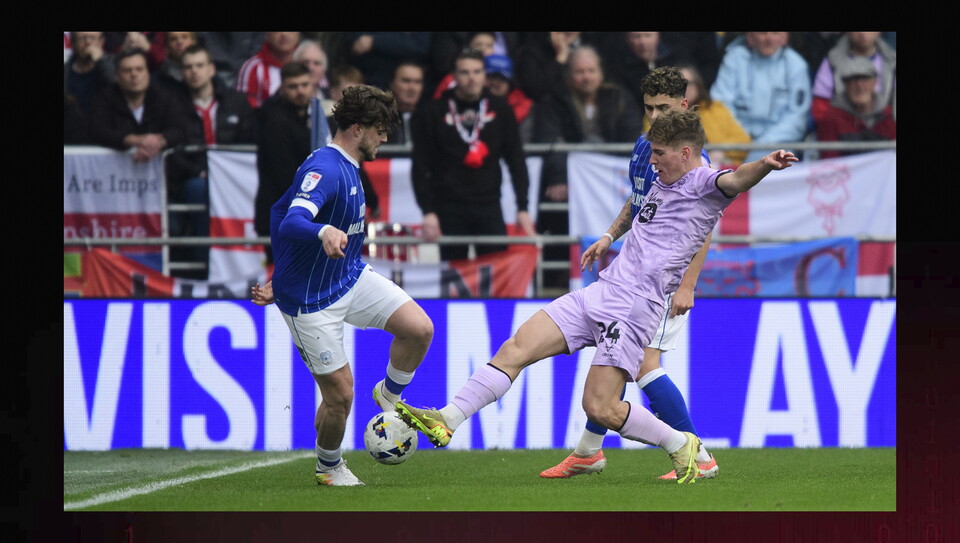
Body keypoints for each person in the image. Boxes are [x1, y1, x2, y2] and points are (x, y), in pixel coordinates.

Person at [396, 109, 798, 484]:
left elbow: (735, 179)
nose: (653, 160)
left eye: (660, 153)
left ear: (686, 153)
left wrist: (765, 164)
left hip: (635, 307)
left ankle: (681, 444)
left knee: (601, 408)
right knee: (516, 346)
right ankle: (448, 418)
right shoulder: (662, 181)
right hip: (603, 291)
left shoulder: (702, 182)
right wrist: (608, 236)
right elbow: (635, 206)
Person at [250, 84, 434, 487]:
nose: (384, 138)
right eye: (379, 131)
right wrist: (323, 232)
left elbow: (279, 214)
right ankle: (329, 467)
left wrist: (281, 271)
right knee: (341, 397)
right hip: (310, 302)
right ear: (357, 128)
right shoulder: (327, 169)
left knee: (419, 329)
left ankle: (388, 396)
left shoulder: (349, 164)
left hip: (348, 277)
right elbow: (292, 220)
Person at [540, 65, 717, 480]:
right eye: (649, 108)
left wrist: (688, 285)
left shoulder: (692, 160)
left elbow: (705, 227)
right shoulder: (646, 145)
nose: (654, 116)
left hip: (662, 281)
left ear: (684, 105)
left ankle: (699, 456)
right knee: (614, 355)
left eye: (664, 108)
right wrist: (609, 235)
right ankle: (588, 452)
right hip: (635, 275)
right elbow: (638, 201)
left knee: (643, 365)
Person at [532, 45, 643, 289]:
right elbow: (549, 142)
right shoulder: (553, 102)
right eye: (579, 71)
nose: (586, 77)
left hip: (612, 185)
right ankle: (560, 281)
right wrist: (559, 177)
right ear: (569, 75)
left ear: (601, 73)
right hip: (569, 187)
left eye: (591, 71)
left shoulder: (619, 99)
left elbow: (631, 141)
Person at [410, 47, 536, 261]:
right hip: (448, 206)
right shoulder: (433, 111)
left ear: (484, 74)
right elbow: (420, 166)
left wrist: (522, 206)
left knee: (496, 269)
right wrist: (428, 211)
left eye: (477, 72)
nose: (472, 78)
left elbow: (516, 159)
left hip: (489, 205)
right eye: (465, 72)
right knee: (453, 272)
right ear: (454, 75)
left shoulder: (501, 108)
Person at [164, 44, 257, 277]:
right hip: (192, 179)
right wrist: (200, 171)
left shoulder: (236, 102)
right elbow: (173, 151)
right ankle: (205, 270)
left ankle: (244, 271)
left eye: (199, 65)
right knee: (198, 188)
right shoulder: (172, 105)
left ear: (211, 69)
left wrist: (226, 173)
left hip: (234, 179)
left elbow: (248, 142)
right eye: (188, 67)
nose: (194, 71)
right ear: (181, 72)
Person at [710, 32, 811, 162]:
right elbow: (720, 104)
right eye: (763, 32)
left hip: (777, 144)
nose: (769, 38)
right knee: (711, 161)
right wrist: (740, 139)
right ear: (750, 36)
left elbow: (796, 119)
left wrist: (759, 145)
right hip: (734, 141)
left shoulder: (796, 65)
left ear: (784, 36)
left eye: (774, 32)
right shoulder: (734, 58)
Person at [87, 48, 200, 163]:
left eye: (139, 69)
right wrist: (133, 140)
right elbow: (97, 131)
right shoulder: (104, 99)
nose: (134, 74)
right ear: (117, 76)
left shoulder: (165, 98)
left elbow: (180, 129)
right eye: (127, 70)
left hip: (162, 169)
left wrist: (159, 142)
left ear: (148, 73)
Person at [254, 61, 314, 266]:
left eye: (304, 85)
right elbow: (285, 174)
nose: (300, 91)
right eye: (293, 86)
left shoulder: (317, 115)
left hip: (301, 213)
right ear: (282, 88)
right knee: (285, 274)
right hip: (282, 214)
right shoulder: (274, 120)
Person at [815, 56, 895, 159]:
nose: (859, 86)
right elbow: (830, 161)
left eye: (865, 79)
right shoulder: (831, 119)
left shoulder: (890, 117)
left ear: (874, 83)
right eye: (853, 80)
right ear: (845, 85)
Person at [810, 32, 896, 127]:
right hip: (841, 129)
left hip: (885, 129)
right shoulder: (832, 61)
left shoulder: (893, 62)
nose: (862, 33)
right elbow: (820, 107)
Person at [678, 63, 751, 167]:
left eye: (689, 83)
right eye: (680, 84)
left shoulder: (715, 109)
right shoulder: (662, 112)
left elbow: (743, 140)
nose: (685, 88)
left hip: (717, 167)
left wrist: (721, 151)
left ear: (698, 85)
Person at [346, 32, 432, 91]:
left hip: (403, 75)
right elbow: (359, 43)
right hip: (367, 77)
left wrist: (374, 41)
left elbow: (418, 45)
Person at [236, 31, 301, 108]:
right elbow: (243, 106)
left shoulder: (308, 62)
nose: (284, 34)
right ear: (267, 35)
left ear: (298, 35)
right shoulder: (253, 67)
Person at [483, 54, 534, 144]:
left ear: (510, 82)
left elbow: (523, 141)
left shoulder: (522, 104)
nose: (496, 83)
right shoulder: (469, 101)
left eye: (502, 78)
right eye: (491, 77)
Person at [64, 32, 115, 113]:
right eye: (82, 38)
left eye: (93, 38)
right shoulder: (66, 70)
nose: (88, 42)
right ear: (73, 43)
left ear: (101, 41)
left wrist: (101, 61)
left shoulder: (114, 64)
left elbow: (116, 86)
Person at [386, 60, 426, 146]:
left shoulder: (431, 119)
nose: (412, 88)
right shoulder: (378, 119)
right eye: (406, 81)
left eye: (418, 82)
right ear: (392, 84)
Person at [150, 31, 198, 97]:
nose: (180, 42)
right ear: (167, 46)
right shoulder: (159, 78)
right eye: (173, 39)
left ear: (193, 42)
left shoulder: (207, 70)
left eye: (184, 37)